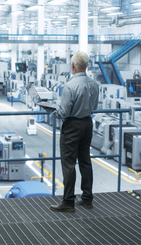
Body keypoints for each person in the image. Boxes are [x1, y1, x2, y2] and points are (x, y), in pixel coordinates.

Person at [49, 51, 99, 213]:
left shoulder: (69, 86)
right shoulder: (94, 84)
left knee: (69, 164)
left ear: (72, 66)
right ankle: (87, 199)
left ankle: (68, 201)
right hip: (87, 124)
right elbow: (95, 107)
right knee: (85, 161)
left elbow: (63, 113)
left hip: (72, 127)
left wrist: (49, 109)